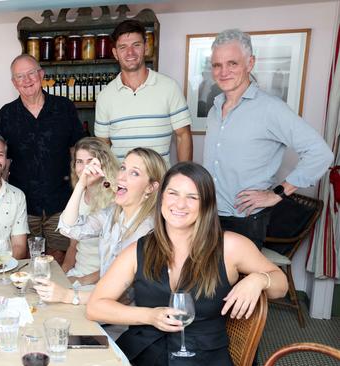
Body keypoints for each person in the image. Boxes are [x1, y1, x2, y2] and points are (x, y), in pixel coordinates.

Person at [86, 162, 288, 365]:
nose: (180, 204)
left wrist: (260, 279)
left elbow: (281, 285)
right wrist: (150, 316)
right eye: (173, 193)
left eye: (192, 197)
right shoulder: (139, 250)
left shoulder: (230, 246)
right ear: (162, 197)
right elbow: (95, 307)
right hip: (143, 354)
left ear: (206, 204)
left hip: (205, 358)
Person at [203, 29, 333, 249]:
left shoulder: (271, 109)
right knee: (206, 282)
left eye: (232, 63)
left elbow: (321, 153)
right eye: (217, 65)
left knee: (239, 284)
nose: (223, 72)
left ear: (250, 63)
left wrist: (277, 194)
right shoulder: (214, 109)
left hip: (244, 220)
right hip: (209, 215)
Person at [34, 147, 166, 306]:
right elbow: (68, 228)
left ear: (151, 188)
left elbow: (125, 296)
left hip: (126, 320)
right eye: (123, 168)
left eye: (134, 173)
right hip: (100, 303)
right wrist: (81, 184)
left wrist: (68, 296)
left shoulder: (149, 231)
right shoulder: (111, 214)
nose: (122, 177)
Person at [0, 54, 85, 265]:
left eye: (31, 73)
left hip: (61, 200)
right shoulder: (6, 114)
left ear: (41, 75)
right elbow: (2, 161)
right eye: (19, 76)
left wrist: (82, 189)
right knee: (24, 260)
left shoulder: (64, 107)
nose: (26, 80)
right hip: (22, 205)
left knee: (59, 259)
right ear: (13, 83)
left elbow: (77, 151)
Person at [95, 19, 193, 164]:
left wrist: (184, 177)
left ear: (146, 47)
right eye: (123, 47)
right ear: (115, 53)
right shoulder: (104, 96)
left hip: (159, 183)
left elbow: (183, 135)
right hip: (122, 183)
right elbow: (103, 145)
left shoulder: (169, 87)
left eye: (136, 45)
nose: (130, 52)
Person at [60, 137, 119, 286]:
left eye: (90, 161)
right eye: (79, 161)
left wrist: (81, 281)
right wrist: (63, 274)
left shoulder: (115, 196)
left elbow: (120, 259)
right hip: (78, 273)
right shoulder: (78, 194)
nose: (84, 168)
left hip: (103, 280)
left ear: (103, 163)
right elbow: (73, 245)